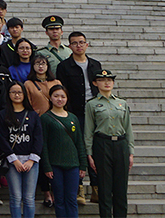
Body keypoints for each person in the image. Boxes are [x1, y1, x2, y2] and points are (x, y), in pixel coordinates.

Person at [56, 31, 102, 204]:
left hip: (95, 113)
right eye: (74, 43)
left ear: (87, 44)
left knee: (95, 148)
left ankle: (96, 188)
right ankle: (78, 188)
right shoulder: (64, 66)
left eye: (81, 42)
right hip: (75, 113)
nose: (79, 46)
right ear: (69, 46)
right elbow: (63, 91)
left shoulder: (95, 65)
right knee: (77, 149)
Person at [84, 69, 134, 218]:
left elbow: (128, 128)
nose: (106, 83)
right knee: (104, 188)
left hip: (120, 144)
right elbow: (88, 130)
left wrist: (131, 151)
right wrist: (89, 153)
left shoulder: (122, 103)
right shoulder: (92, 104)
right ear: (95, 83)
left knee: (121, 189)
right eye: (102, 80)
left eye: (110, 80)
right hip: (102, 144)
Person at [0, 82, 43, 218]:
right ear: (8, 94)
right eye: (13, 92)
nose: (17, 95)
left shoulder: (33, 115)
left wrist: (32, 160)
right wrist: (14, 160)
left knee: (29, 198)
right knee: (15, 197)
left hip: (31, 161)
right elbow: (2, 138)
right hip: (12, 161)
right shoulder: (3, 114)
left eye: (19, 92)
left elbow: (38, 138)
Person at [41, 85, 86, 218]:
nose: (59, 99)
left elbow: (79, 142)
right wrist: (47, 166)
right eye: (56, 96)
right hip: (55, 165)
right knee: (59, 199)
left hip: (73, 164)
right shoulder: (45, 118)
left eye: (63, 96)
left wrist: (83, 164)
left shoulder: (73, 118)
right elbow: (43, 145)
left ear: (67, 99)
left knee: (72, 198)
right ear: (50, 98)